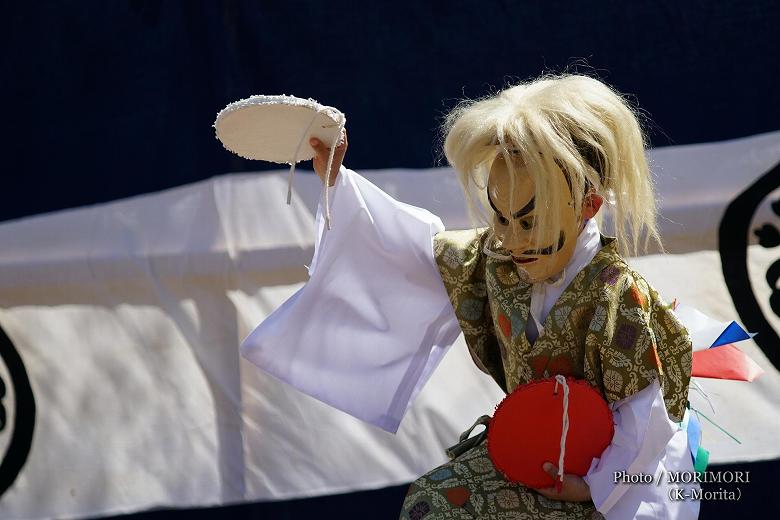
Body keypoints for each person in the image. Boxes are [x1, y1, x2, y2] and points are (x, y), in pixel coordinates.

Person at [241, 74, 699, 519]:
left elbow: (647, 423)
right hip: (535, 458)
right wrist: (338, 181)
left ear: (588, 207)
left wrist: (594, 487)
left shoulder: (620, 302)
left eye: (529, 222)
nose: (513, 241)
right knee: (433, 503)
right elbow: (411, 250)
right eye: (501, 219)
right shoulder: (496, 260)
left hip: (617, 484)